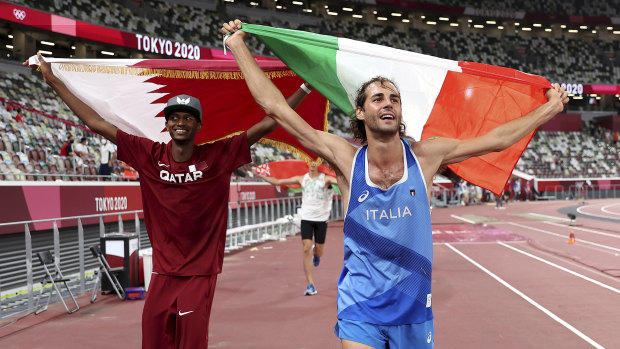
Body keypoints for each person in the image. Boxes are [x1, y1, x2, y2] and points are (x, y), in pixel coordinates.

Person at [222, 19, 569, 349]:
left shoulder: (426, 156)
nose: (387, 103)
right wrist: (237, 46)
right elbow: (276, 108)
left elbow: (496, 139)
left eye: (394, 99)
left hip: (413, 306)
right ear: (360, 112)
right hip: (360, 305)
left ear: (401, 112)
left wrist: (548, 110)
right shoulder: (345, 159)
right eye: (377, 98)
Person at [26, 51, 312, 349]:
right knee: (153, 342)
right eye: (174, 117)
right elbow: (95, 122)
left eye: (188, 118)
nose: (180, 122)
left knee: (190, 344)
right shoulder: (148, 155)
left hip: (199, 273)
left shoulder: (217, 156)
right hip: (163, 272)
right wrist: (52, 80)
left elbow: (268, 124)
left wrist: (305, 88)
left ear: (198, 126)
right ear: (167, 125)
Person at [253, 161, 337, 296]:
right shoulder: (301, 178)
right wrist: (260, 175)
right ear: (307, 164)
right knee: (306, 248)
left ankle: (317, 254)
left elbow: (343, 182)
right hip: (306, 218)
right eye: (310, 162)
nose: (313, 164)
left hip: (321, 219)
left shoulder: (326, 179)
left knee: (319, 251)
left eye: (315, 162)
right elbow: (278, 181)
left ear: (319, 164)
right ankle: (310, 284)